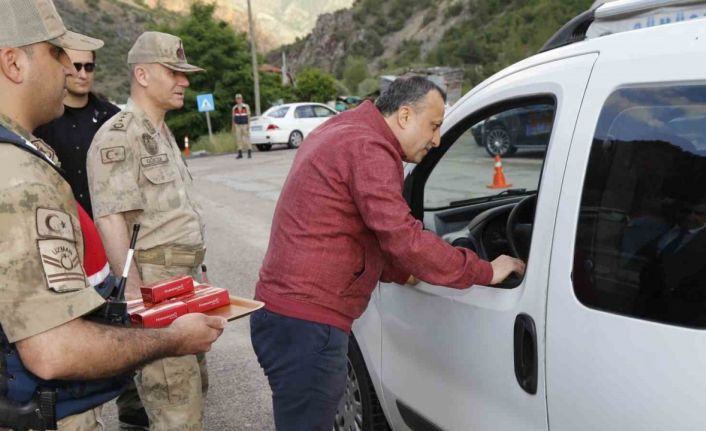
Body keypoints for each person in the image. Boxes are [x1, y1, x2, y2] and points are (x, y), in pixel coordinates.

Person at [250, 76, 525, 430]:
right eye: (435, 126)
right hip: (309, 325)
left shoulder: (344, 129)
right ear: (406, 116)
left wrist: (399, 271)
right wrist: (484, 271)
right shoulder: (370, 147)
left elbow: (349, 227)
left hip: (286, 317)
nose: (438, 139)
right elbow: (402, 237)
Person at [0, 2, 225, 431]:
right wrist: (163, 333)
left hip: (178, 284)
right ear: (13, 63)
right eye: (58, 54)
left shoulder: (24, 155)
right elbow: (53, 349)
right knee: (175, 411)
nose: (72, 70)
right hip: (145, 302)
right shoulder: (19, 174)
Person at [87, 31, 211, 431]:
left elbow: (173, 218)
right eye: (173, 71)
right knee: (176, 411)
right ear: (141, 74)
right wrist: (138, 302)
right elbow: (112, 220)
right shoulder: (119, 135)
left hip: (183, 283)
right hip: (155, 290)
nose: (184, 81)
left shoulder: (160, 132)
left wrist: (201, 274)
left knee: (192, 395)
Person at [34, 48, 119, 219]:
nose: (83, 74)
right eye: (76, 66)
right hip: (61, 222)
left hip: (110, 221)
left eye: (89, 67)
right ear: (62, 68)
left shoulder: (113, 117)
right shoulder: (41, 120)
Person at [232, 93, 252, 159]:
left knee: (246, 138)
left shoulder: (246, 106)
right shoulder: (234, 108)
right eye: (237, 98)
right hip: (237, 125)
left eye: (239, 98)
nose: (238, 100)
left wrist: (249, 124)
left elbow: (248, 116)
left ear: (242, 99)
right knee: (238, 139)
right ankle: (240, 153)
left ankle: (249, 152)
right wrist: (233, 126)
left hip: (245, 124)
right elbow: (233, 117)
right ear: (235, 100)